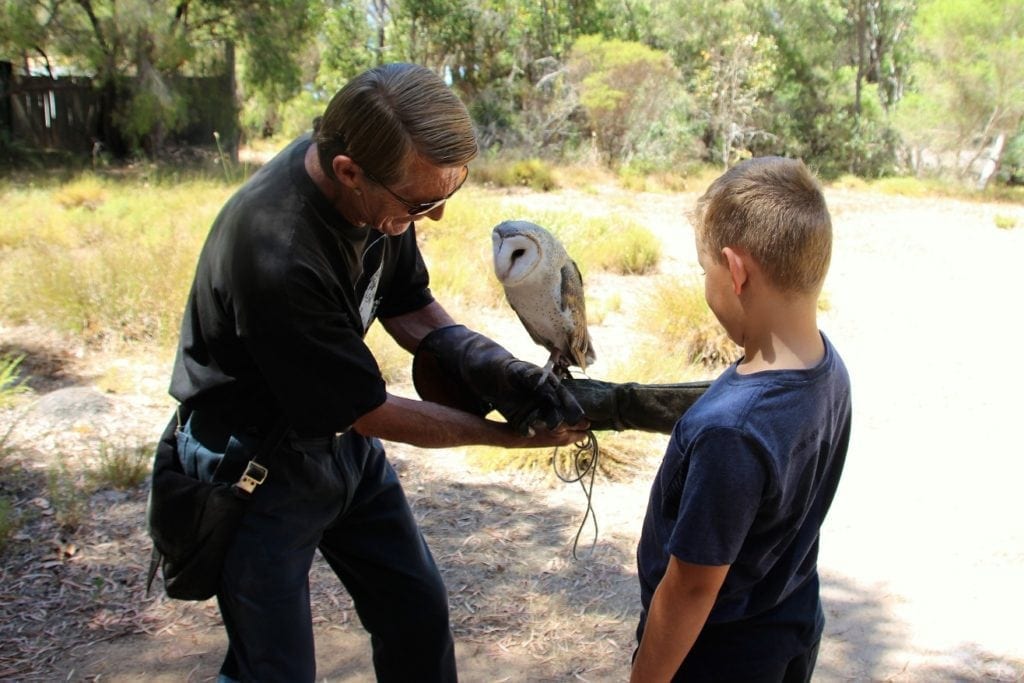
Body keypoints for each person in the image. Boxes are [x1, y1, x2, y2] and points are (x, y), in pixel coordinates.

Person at [164, 62, 591, 683]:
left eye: (448, 195)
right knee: (272, 669)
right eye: (423, 204)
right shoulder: (279, 254)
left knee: (416, 616)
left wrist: (479, 358)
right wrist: (508, 437)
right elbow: (368, 410)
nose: (434, 217)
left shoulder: (379, 196)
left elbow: (405, 299)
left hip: (341, 447)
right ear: (348, 171)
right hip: (254, 465)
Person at [630, 157, 852, 682]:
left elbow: (691, 587)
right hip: (791, 620)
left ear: (735, 271)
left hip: (716, 655)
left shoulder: (732, 430)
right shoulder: (827, 366)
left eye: (704, 271)